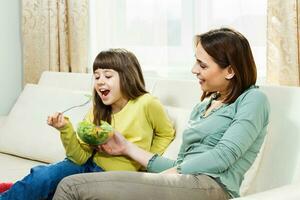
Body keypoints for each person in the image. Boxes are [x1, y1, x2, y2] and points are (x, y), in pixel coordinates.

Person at [52, 28, 270, 200]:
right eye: (196, 61)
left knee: (71, 186)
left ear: (230, 70)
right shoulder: (202, 107)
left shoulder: (252, 99)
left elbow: (223, 156)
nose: (194, 69)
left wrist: (172, 173)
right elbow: (181, 164)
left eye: (202, 65)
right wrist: (126, 148)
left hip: (213, 186)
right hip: (186, 182)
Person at [0, 49, 175, 200]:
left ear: (127, 76)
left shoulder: (146, 103)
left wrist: (147, 160)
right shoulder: (96, 109)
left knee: (65, 189)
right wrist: (65, 129)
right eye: (96, 76)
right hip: (87, 165)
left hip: (113, 177)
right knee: (42, 176)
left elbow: (166, 133)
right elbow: (79, 158)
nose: (99, 81)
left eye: (107, 75)